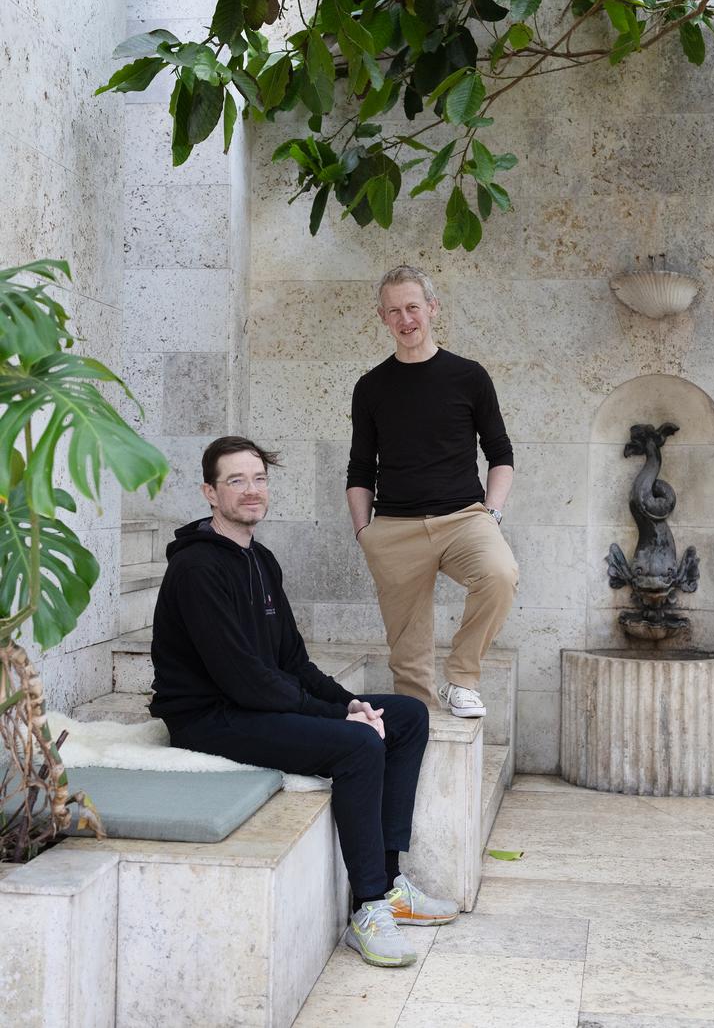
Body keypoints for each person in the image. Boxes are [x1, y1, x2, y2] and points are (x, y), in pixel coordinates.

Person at [149, 435, 458, 967]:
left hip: (252, 704)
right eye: (236, 481)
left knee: (407, 715)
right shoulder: (197, 569)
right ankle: (368, 907)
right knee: (358, 747)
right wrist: (340, 717)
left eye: (259, 479)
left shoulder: (261, 560)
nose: (252, 490)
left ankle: (390, 884)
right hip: (209, 717)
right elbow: (244, 681)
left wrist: (350, 703)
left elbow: (293, 661)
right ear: (210, 492)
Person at [347, 265, 519, 717]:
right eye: (394, 311)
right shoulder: (370, 388)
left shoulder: (469, 377)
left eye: (413, 307)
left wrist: (492, 514)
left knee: (500, 575)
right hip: (395, 528)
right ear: (382, 317)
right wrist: (365, 532)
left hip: (464, 518)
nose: (405, 319)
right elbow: (360, 467)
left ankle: (461, 679)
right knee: (408, 659)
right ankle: (418, 729)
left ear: (432, 308)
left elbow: (500, 453)